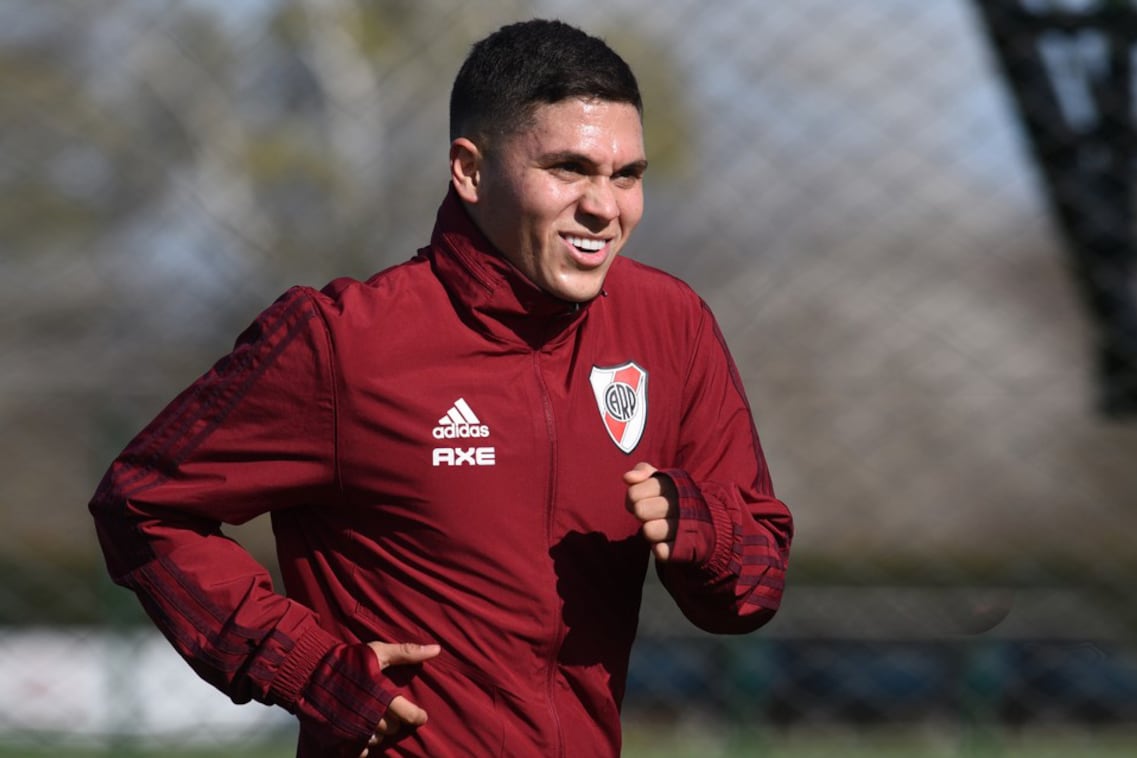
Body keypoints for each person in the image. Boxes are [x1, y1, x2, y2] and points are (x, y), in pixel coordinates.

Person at [89, 18, 793, 758]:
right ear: (470, 170)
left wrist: (705, 532)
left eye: (626, 176)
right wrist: (306, 667)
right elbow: (143, 504)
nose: (604, 208)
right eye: (568, 169)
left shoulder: (668, 325)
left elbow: (751, 584)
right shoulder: (345, 341)